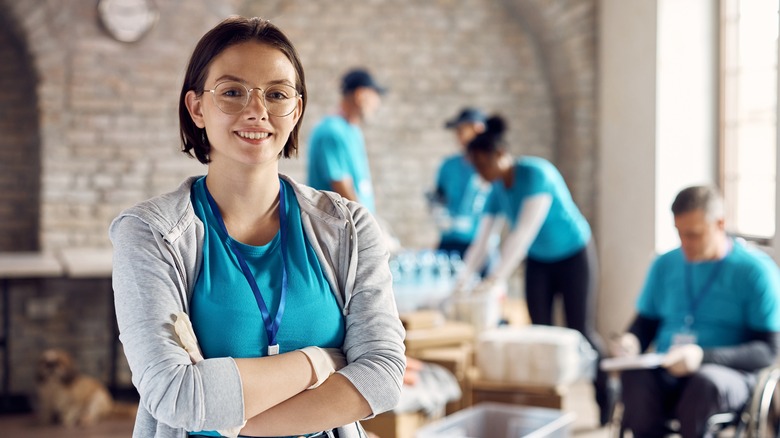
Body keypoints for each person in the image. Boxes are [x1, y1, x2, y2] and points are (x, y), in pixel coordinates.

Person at [109, 16, 405, 438]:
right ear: (196, 107)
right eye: (232, 92)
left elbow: (383, 375)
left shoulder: (348, 228)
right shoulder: (148, 233)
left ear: (296, 109)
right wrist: (320, 362)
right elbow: (175, 395)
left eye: (276, 94)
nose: (256, 111)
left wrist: (236, 423)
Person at [456, 115, 611, 424]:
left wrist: (494, 280)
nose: (479, 173)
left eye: (481, 165)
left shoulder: (537, 174)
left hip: (573, 255)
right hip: (540, 261)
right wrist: (460, 284)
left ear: (499, 155)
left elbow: (522, 235)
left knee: (581, 328)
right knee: (539, 332)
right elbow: (482, 242)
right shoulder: (496, 190)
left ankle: (606, 396)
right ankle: (545, 411)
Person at [609, 185, 780, 438]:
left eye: (694, 235)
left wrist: (703, 356)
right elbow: (645, 324)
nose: (684, 243)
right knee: (635, 378)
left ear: (720, 224)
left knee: (704, 384)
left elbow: (768, 351)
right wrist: (630, 341)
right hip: (667, 366)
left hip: (725, 375)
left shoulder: (755, 272)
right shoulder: (665, 264)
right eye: (679, 234)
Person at [307, 68, 385, 214]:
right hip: (339, 230)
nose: (377, 103)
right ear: (360, 95)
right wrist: (367, 227)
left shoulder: (352, 130)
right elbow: (341, 186)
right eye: (375, 95)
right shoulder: (332, 131)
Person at [429, 107, 492, 259]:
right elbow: (438, 196)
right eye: (457, 131)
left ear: (479, 129)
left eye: (462, 130)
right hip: (450, 241)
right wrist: (439, 213)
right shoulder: (448, 165)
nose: (458, 136)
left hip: (481, 242)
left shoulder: (491, 166)